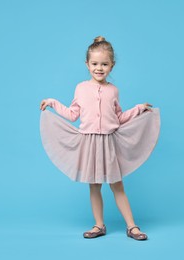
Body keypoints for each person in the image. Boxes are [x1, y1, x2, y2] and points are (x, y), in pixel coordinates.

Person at [39, 36, 160, 240]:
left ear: (112, 66)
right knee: (94, 185)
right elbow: (72, 114)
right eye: (95, 64)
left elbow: (119, 118)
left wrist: (139, 109)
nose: (99, 68)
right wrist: (52, 102)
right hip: (89, 142)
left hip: (109, 142)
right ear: (87, 64)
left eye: (104, 64)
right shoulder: (80, 88)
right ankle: (99, 225)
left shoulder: (113, 90)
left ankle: (132, 226)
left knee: (117, 185)